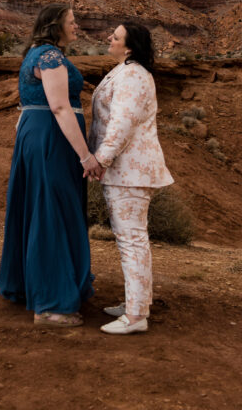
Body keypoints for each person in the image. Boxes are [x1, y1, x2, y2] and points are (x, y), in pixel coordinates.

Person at [0, 3, 104, 326]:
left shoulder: (34, 54)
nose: (76, 27)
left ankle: (34, 286)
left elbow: (28, 105)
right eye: (72, 22)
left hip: (37, 135)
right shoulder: (50, 57)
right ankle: (52, 305)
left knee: (40, 205)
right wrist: (85, 155)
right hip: (52, 138)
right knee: (52, 209)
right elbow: (59, 108)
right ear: (55, 25)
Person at [89, 22, 174, 335]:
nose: (108, 38)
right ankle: (137, 305)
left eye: (115, 36)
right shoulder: (126, 71)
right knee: (134, 240)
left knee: (132, 242)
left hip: (129, 172)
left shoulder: (133, 75)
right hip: (128, 171)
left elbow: (121, 124)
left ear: (129, 46)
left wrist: (101, 160)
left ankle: (136, 317)